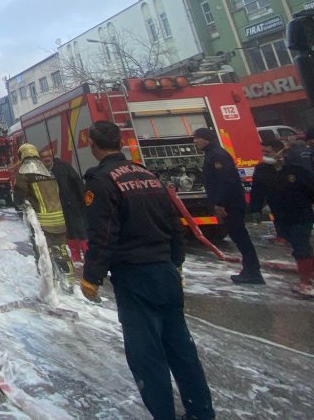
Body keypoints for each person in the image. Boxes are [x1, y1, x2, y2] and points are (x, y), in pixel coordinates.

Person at [81, 120, 215, 420]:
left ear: (93, 144)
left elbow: (104, 233)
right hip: (165, 271)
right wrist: (176, 263)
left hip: (134, 276)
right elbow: (174, 224)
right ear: (120, 142)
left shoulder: (100, 180)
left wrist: (91, 276)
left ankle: (163, 414)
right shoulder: (147, 174)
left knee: (146, 354)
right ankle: (202, 412)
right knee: (181, 347)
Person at [193, 127, 264, 284]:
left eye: (197, 138)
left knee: (240, 237)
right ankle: (250, 270)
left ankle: (252, 272)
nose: (195, 141)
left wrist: (220, 203)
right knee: (239, 236)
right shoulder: (214, 154)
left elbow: (226, 181)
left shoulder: (217, 155)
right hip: (230, 203)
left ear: (206, 139)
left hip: (231, 204)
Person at [13, 143, 73, 287]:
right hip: (59, 220)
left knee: (43, 252)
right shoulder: (48, 171)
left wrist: (21, 206)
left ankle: (49, 284)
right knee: (62, 250)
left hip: (41, 222)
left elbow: (19, 197)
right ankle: (69, 283)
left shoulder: (24, 173)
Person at [269, 142, 314, 297]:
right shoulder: (273, 172)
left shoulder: (298, 172)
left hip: (300, 215)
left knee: (302, 248)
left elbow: (310, 190)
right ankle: (306, 278)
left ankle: (306, 283)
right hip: (284, 217)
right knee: (298, 247)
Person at [41, 147, 88, 262]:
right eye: (44, 157)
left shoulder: (63, 166)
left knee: (81, 230)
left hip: (73, 204)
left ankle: (88, 256)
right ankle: (75, 256)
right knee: (69, 232)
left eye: (49, 156)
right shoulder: (41, 172)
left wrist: (83, 200)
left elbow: (77, 181)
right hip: (58, 208)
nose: (47, 159)